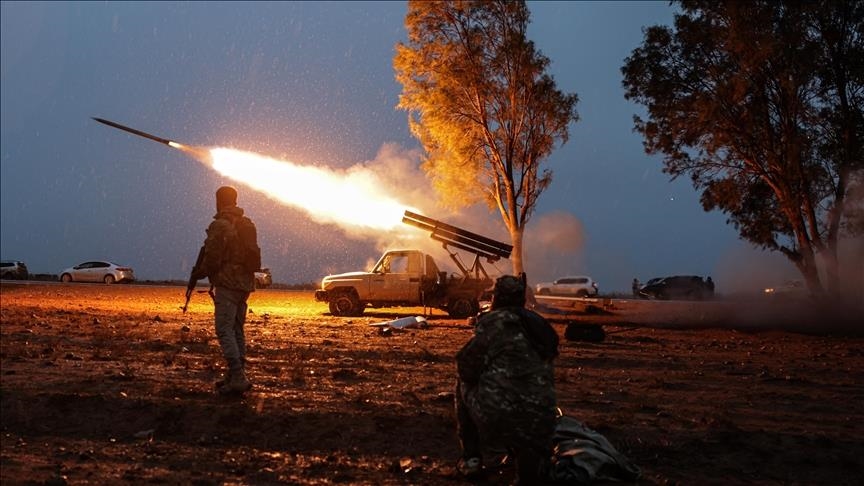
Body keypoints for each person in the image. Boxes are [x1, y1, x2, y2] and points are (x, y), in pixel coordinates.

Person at [455, 274, 559, 483]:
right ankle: (526, 465)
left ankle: (471, 460)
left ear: (498, 298)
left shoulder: (495, 322)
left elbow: (465, 367)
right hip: (544, 417)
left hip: (502, 414)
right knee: (526, 402)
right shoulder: (539, 326)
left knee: (462, 384)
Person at [191, 185, 258, 395]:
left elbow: (212, 258)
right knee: (237, 330)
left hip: (228, 284)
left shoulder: (220, 225)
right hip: (244, 285)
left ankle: (237, 376)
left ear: (219, 200)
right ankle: (236, 374)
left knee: (224, 329)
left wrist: (199, 273)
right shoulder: (245, 224)